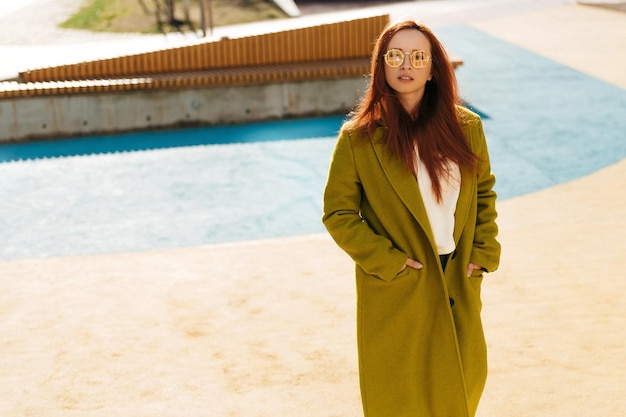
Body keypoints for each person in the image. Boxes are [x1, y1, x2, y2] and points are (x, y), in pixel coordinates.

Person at [322, 20, 501, 417]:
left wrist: (483, 254)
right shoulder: (358, 138)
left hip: (456, 275)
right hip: (400, 283)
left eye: (418, 56)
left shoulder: (467, 128)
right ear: (381, 66)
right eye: (395, 55)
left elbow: (483, 192)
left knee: (462, 388)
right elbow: (338, 212)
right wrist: (388, 263)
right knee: (399, 398)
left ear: (434, 67)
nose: (406, 64)